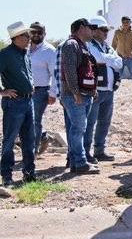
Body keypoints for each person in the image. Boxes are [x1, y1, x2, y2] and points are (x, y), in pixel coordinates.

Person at [0, 22, 37, 186]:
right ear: (16, 38)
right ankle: (6, 176)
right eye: (26, 35)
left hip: (28, 101)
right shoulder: (5, 54)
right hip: (14, 103)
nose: (29, 38)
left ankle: (29, 174)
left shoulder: (25, 53)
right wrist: (2, 92)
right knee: (9, 140)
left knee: (29, 139)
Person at [61, 18, 100, 175]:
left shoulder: (83, 45)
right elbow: (69, 71)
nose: (93, 31)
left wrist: (92, 90)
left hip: (84, 95)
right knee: (78, 129)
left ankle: (76, 163)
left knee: (78, 129)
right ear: (82, 28)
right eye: (90, 28)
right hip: (76, 96)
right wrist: (76, 92)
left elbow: (88, 70)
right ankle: (80, 163)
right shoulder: (71, 44)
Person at [84, 16, 122, 163]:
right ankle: (86, 152)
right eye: (103, 30)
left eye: (107, 30)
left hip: (108, 90)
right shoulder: (89, 45)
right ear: (94, 30)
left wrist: (106, 59)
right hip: (95, 90)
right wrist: (109, 59)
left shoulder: (107, 47)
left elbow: (119, 63)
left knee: (104, 122)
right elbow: (97, 58)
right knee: (90, 122)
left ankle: (99, 151)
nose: (106, 32)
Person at [27, 21, 57, 154]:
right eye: (33, 32)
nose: (36, 35)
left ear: (44, 34)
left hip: (40, 91)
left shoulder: (49, 50)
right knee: (24, 120)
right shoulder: (24, 48)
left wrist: (53, 93)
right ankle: (43, 136)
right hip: (24, 91)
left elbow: (55, 74)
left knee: (34, 120)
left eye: (39, 32)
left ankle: (31, 154)